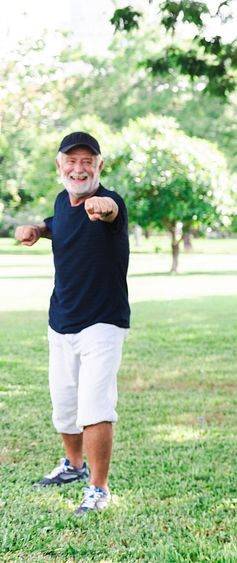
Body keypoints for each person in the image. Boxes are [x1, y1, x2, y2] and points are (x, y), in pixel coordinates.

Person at [15, 131, 130, 516]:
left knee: (95, 405)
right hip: (60, 320)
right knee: (64, 407)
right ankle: (73, 467)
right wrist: (38, 230)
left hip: (102, 321)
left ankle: (98, 488)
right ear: (60, 165)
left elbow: (107, 210)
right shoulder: (62, 203)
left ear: (99, 165)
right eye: (72, 161)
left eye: (87, 161)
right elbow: (59, 222)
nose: (79, 168)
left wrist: (102, 205)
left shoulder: (110, 202)